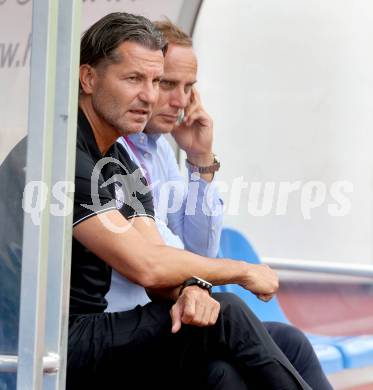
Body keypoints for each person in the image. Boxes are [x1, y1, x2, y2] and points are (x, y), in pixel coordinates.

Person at [69, 12, 312, 390]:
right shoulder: (65, 155)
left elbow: (164, 252)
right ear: (89, 78)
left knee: (231, 370)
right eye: (138, 79)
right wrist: (241, 271)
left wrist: (189, 288)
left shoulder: (121, 157)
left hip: (112, 327)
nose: (152, 96)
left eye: (155, 81)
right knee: (228, 316)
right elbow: (150, 266)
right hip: (56, 344)